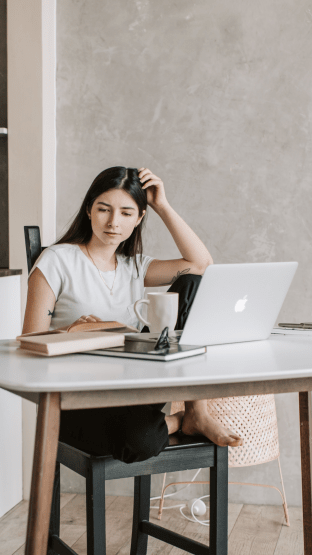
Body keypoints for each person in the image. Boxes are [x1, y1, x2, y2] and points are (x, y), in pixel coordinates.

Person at [23, 166, 243, 463]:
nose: (113, 222)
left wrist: (162, 206)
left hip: (133, 390)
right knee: (139, 441)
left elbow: (201, 265)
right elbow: (30, 343)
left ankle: (197, 412)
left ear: (139, 218)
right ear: (89, 210)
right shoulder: (57, 260)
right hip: (78, 399)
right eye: (104, 209)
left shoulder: (136, 266)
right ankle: (178, 421)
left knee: (192, 283)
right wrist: (71, 331)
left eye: (126, 213)